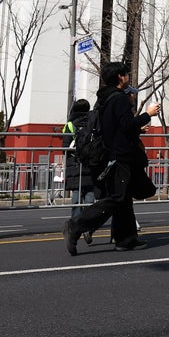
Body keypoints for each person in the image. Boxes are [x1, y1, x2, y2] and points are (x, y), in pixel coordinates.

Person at [63, 62, 159, 255]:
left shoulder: (104, 98)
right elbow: (125, 125)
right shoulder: (119, 99)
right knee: (117, 198)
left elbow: (114, 127)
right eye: (125, 74)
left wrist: (134, 127)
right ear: (119, 78)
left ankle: (126, 239)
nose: (128, 78)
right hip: (119, 156)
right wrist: (147, 115)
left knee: (124, 199)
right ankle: (76, 225)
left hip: (110, 154)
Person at [62, 98, 96, 242]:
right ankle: (88, 229)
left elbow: (65, 147)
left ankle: (75, 228)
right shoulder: (92, 122)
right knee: (89, 199)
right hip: (90, 165)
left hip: (75, 166)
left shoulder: (69, 125)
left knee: (76, 199)